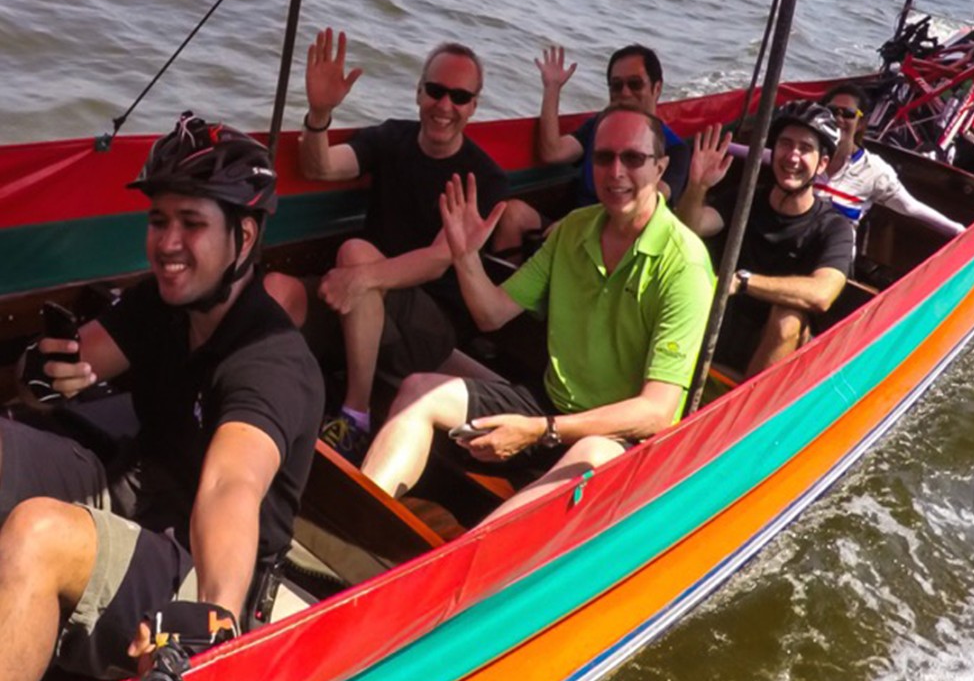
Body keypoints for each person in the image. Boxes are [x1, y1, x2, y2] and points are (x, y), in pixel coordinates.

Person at [0, 113, 323, 681]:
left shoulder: (272, 362)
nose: (168, 242)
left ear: (244, 237)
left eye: (191, 223)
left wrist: (211, 618)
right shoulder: (164, 302)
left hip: (200, 570)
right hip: (130, 495)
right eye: (159, 220)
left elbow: (230, 486)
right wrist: (41, 372)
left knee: (38, 534)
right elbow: (69, 365)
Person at [358, 106, 714, 522]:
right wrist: (465, 256)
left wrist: (541, 430)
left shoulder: (685, 265)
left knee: (592, 452)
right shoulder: (574, 229)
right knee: (418, 392)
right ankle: (363, 522)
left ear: (661, 168)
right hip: (550, 405)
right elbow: (492, 314)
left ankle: (472, 559)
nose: (616, 172)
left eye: (633, 158)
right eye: (603, 157)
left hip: (620, 438)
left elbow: (655, 412)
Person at [265, 29, 510, 466]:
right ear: (419, 92)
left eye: (459, 97)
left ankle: (355, 418)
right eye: (435, 91)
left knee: (355, 253)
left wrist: (360, 276)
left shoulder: (484, 178)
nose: (444, 105)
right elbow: (321, 167)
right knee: (277, 291)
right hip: (362, 305)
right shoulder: (391, 138)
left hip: (428, 329)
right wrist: (319, 114)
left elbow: (438, 260)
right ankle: (245, 391)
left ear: (473, 106)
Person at [677, 101, 855, 377]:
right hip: (724, 322)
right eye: (785, 144)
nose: (792, 157)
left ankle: (748, 401)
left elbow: (822, 295)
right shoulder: (746, 197)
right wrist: (697, 185)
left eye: (805, 149)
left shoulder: (834, 227)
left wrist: (743, 282)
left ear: (822, 163)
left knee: (787, 319)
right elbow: (690, 227)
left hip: (777, 350)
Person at [495, 43, 692, 249]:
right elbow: (553, 152)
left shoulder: (674, 149)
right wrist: (552, 89)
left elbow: (647, 201)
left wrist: (577, 223)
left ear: (656, 88)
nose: (625, 93)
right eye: (616, 86)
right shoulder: (599, 127)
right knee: (512, 214)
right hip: (572, 228)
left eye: (635, 84)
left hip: (622, 239)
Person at [818, 83, 964, 236]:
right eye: (832, 111)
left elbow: (910, 207)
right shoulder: (807, 155)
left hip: (838, 248)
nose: (838, 118)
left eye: (848, 113)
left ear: (860, 123)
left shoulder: (873, 170)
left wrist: (959, 230)